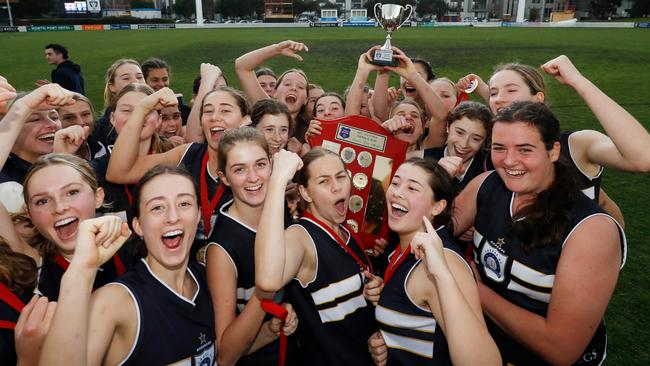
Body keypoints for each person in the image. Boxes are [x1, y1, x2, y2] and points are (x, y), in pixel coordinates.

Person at [453, 101, 626, 365]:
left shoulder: (592, 231)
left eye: (525, 149)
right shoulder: (487, 184)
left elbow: (560, 348)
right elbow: (439, 227)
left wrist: (474, 288)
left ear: (554, 150)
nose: (509, 161)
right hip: (480, 344)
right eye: (499, 148)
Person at [39, 165, 217, 365]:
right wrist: (82, 270)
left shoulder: (208, 278)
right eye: (157, 207)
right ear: (138, 225)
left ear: (199, 214)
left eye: (184, 203)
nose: (173, 217)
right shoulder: (114, 302)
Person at [458, 56, 650, 224]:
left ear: (538, 97)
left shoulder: (576, 145)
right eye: (493, 93)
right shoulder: (504, 152)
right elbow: (506, 110)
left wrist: (577, 81)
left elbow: (643, 157)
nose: (499, 99)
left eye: (511, 90)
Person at [255, 148, 382, 366]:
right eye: (324, 181)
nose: (336, 186)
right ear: (305, 193)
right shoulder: (301, 237)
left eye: (341, 176)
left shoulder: (345, 231)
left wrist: (376, 290)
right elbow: (267, 280)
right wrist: (277, 181)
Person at [367, 158, 500, 365]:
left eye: (412, 188)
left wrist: (442, 275)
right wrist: (390, 341)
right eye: (395, 183)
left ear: (437, 207)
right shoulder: (401, 250)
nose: (398, 192)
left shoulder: (442, 261)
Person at [107, 85, 248, 258]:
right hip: (186, 273)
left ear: (245, 120)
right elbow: (118, 172)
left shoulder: (257, 167)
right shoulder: (187, 155)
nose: (215, 117)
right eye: (208, 111)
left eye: (225, 111)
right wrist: (142, 108)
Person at [206, 128, 298, 365]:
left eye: (260, 165)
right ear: (224, 177)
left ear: (271, 164)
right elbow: (225, 355)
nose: (253, 177)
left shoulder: (278, 209)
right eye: (239, 169)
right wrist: (264, 295)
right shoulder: (222, 250)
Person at [21, 154, 131, 301]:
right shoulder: (36, 288)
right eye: (42, 201)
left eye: (72, 192)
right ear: (30, 216)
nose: (59, 208)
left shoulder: (136, 250)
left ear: (98, 197)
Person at [0, 84, 74, 212]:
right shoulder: (6, 184)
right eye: (35, 119)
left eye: (54, 117)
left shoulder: (69, 162)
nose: (51, 125)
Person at [235, 40, 310, 142]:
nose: (293, 88)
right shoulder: (265, 109)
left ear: (306, 99)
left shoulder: (309, 129)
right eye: (287, 84)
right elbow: (242, 66)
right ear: (275, 91)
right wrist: (276, 49)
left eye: (300, 87)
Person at [420, 101, 493, 194]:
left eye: (475, 139)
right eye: (459, 132)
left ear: (485, 141)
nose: (464, 144)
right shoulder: (421, 160)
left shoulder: (490, 168)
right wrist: (438, 178)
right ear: (448, 127)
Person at [92, 59, 145, 149]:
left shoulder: (158, 112)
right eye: (126, 78)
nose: (135, 81)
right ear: (112, 86)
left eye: (139, 77)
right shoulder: (101, 128)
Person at [56, 92, 107, 160]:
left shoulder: (100, 145)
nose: (81, 122)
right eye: (69, 117)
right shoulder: (48, 158)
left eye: (85, 114)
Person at [142, 57, 192, 125]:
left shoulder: (183, 110)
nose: (161, 84)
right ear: (144, 81)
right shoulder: (138, 109)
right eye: (155, 80)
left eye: (165, 79)